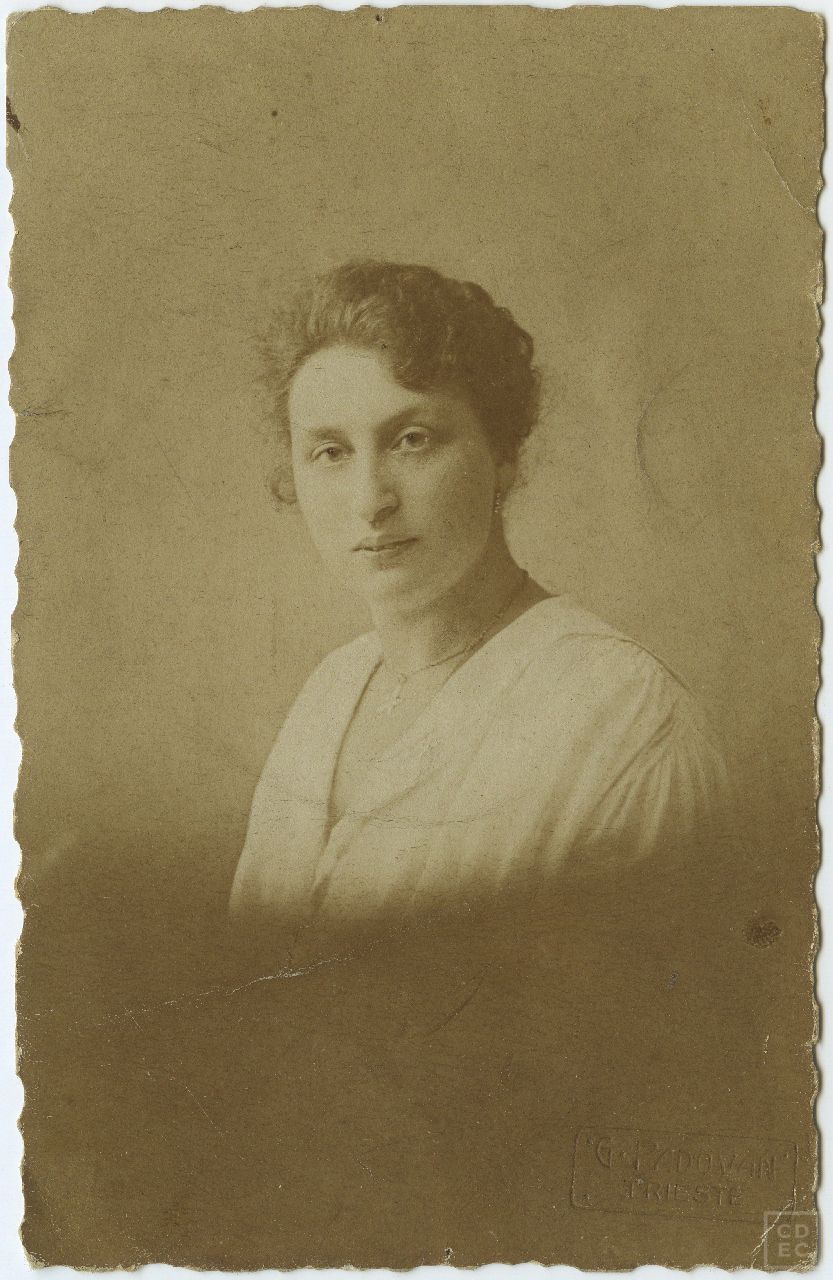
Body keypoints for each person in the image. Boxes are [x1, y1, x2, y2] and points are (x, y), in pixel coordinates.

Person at [229, 259, 728, 954]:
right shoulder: (329, 692)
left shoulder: (627, 722)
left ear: (503, 456)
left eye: (412, 440)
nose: (370, 501)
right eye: (330, 452)